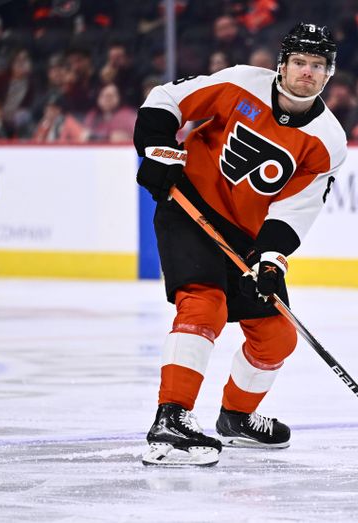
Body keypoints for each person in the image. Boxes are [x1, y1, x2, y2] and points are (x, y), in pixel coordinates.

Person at [134, 22, 347, 467]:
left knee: (277, 336)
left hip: (246, 239)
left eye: (318, 66)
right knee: (203, 305)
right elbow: (167, 100)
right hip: (190, 208)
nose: (307, 73)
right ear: (282, 64)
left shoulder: (328, 140)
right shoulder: (239, 82)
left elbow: (294, 209)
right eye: (300, 63)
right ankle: (171, 419)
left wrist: (271, 261)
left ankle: (236, 418)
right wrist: (157, 149)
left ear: (329, 74)